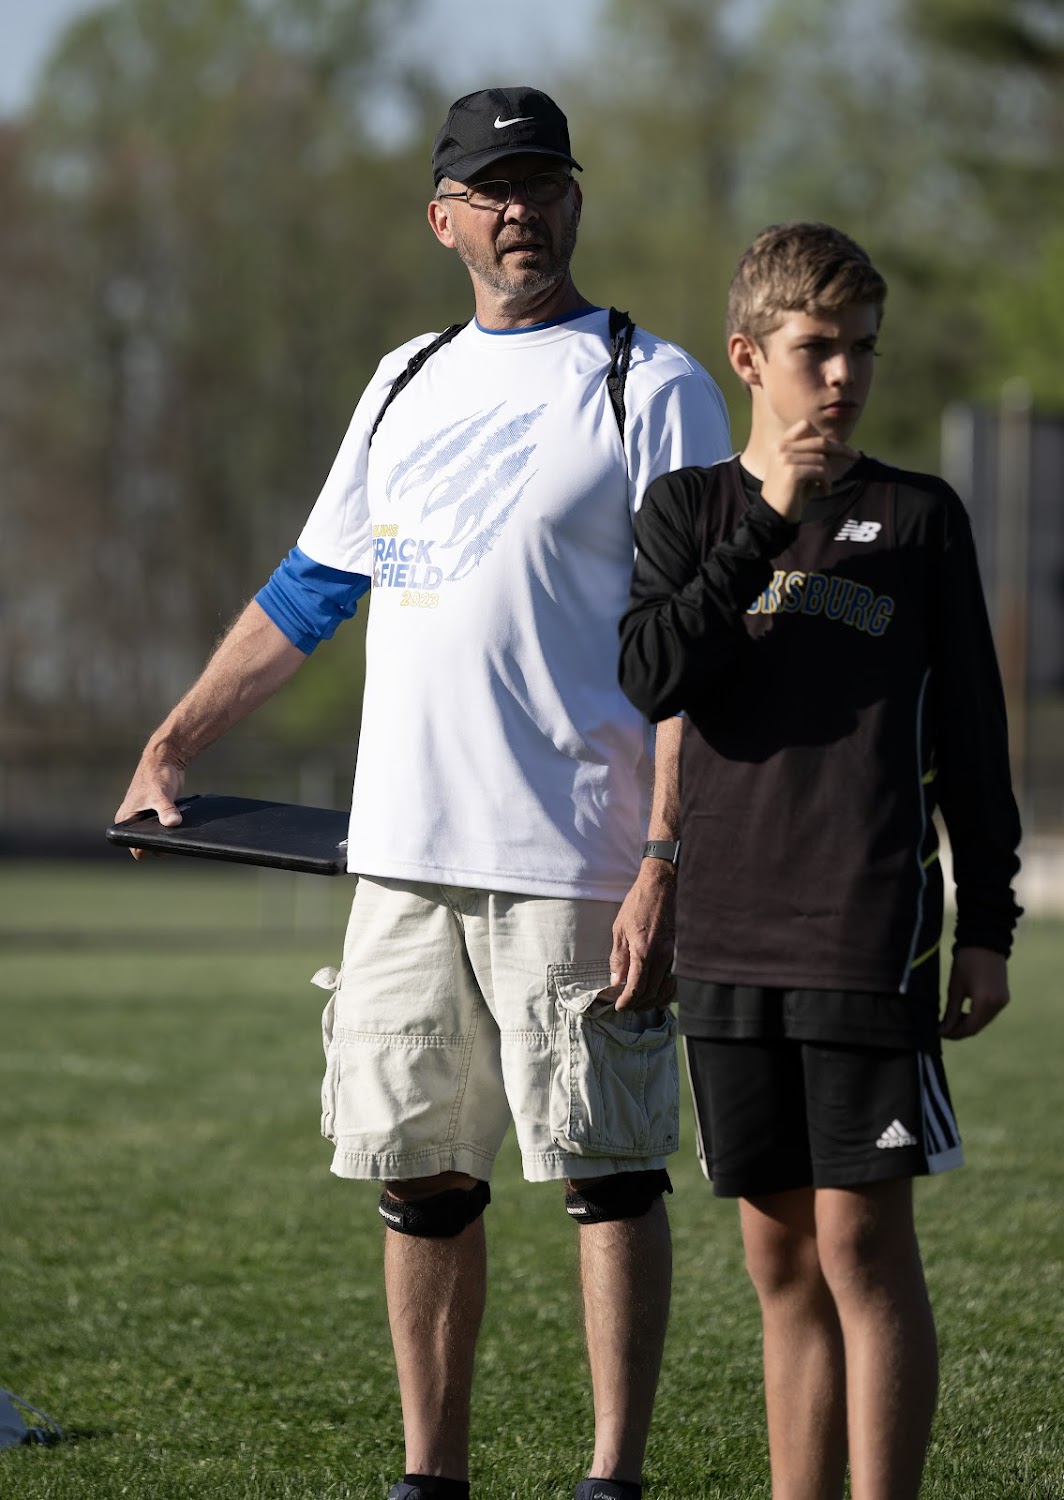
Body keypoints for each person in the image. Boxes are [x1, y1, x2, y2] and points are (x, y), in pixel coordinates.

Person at [115, 86, 732, 1500]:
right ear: (442, 218)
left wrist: (665, 854)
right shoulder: (403, 379)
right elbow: (312, 588)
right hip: (397, 858)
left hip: (575, 859)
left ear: (576, 200)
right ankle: (430, 1478)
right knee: (419, 1178)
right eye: (492, 190)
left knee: (608, 1174)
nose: (522, 210)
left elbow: (698, 645)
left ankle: (611, 1480)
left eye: (544, 183)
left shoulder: (649, 382)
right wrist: (174, 741)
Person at [617, 221, 1022, 1500]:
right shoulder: (685, 511)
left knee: (859, 1246)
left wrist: (988, 923)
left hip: (865, 931)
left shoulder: (919, 518)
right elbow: (654, 675)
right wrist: (769, 520)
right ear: (747, 356)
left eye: (862, 349)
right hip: (726, 939)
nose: (843, 374)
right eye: (815, 349)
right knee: (778, 1262)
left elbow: (971, 736)